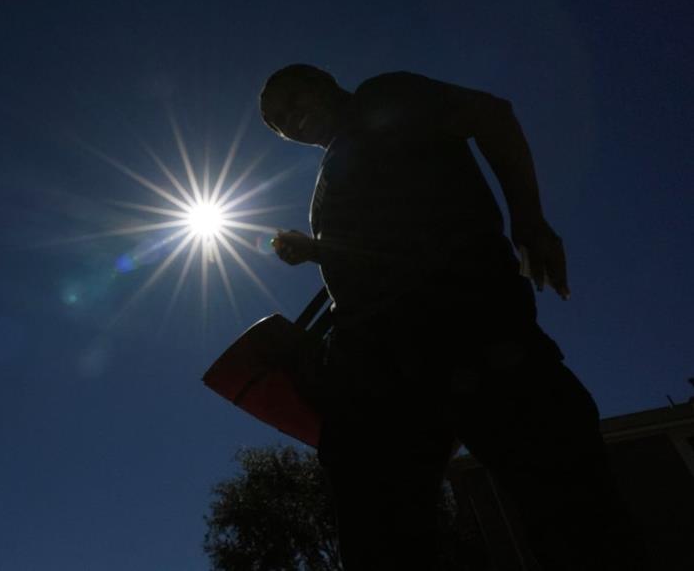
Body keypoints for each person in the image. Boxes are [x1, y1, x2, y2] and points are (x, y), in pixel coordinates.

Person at [260, 64, 644, 570]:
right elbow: (383, 250)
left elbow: (490, 114)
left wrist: (529, 220)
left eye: (292, 100)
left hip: (472, 331)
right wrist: (316, 251)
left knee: (569, 508)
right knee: (379, 530)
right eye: (279, 122)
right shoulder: (329, 179)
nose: (290, 119)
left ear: (323, 82)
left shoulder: (381, 99)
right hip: (384, 371)